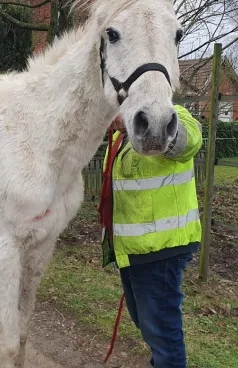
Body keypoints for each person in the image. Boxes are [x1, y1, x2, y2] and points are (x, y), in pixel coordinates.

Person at [99, 105, 203, 368]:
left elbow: (190, 143)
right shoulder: (120, 136)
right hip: (132, 250)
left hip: (161, 249)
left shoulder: (173, 115)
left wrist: (152, 122)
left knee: (163, 335)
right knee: (151, 330)